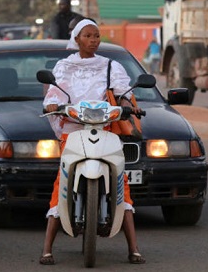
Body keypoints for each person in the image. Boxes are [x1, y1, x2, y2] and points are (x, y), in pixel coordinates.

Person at [39, 19, 144, 265]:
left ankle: (134, 248)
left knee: (122, 182)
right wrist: (53, 104)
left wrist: (129, 106)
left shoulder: (111, 65)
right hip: (73, 132)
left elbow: (124, 93)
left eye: (96, 36)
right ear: (77, 39)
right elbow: (54, 94)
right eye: (88, 36)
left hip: (106, 130)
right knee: (61, 182)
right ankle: (46, 249)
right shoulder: (64, 66)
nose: (94, 40)